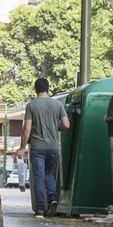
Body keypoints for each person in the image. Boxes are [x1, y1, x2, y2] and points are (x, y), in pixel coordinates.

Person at [19, 77, 67, 216]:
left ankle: (40, 208)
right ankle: (52, 199)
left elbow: (27, 128)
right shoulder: (58, 105)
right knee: (49, 174)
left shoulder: (31, 105)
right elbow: (66, 124)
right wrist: (54, 128)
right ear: (48, 88)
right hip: (53, 147)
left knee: (39, 177)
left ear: (36, 89)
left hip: (37, 147)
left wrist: (22, 147)